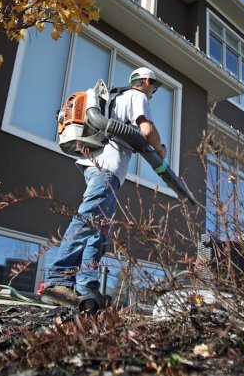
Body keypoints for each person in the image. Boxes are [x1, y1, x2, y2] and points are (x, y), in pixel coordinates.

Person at [41, 67, 167, 307]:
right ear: (147, 81)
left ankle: (86, 287)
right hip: (107, 168)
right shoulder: (136, 96)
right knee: (87, 221)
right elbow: (146, 129)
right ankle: (58, 282)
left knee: (98, 229)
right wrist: (160, 151)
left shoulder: (115, 98)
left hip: (94, 165)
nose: (153, 92)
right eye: (155, 87)